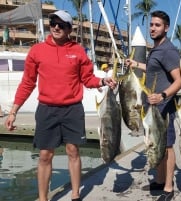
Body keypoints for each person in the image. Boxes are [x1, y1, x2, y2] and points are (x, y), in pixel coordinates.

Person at [4, 10, 116, 201]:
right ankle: (42, 198)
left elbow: (87, 78)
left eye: (61, 25)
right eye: (53, 23)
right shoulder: (37, 50)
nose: (56, 27)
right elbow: (27, 83)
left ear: (69, 29)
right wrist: (14, 111)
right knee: (45, 155)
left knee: (73, 151)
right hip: (47, 109)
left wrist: (103, 81)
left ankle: (75, 194)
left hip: (72, 109)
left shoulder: (78, 51)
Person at [126, 10, 181, 201]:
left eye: (157, 25)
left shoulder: (168, 50)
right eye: (151, 24)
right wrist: (135, 63)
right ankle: (159, 180)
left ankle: (169, 187)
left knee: (166, 146)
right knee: (157, 144)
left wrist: (163, 95)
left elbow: (179, 81)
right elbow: (152, 69)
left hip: (163, 107)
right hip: (152, 107)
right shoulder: (156, 49)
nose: (152, 28)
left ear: (166, 28)